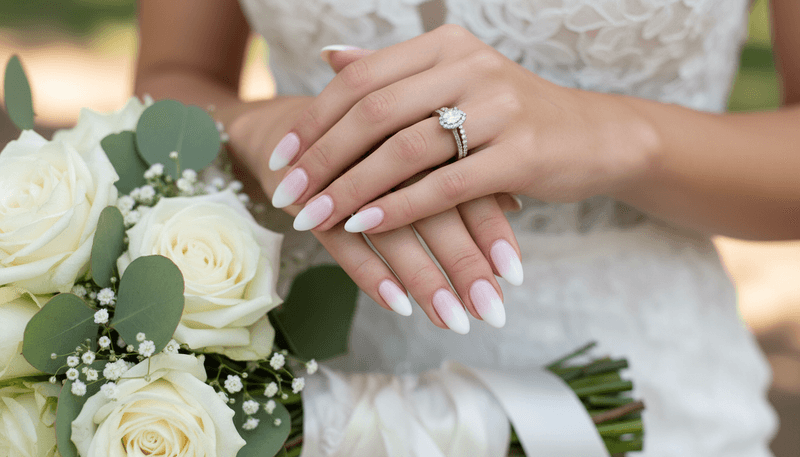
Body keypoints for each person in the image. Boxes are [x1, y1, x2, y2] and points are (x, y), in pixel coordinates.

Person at [135, 0, 791, 454]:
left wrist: (620, 135)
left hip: (648, 398)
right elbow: (170, 77)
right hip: (299, 385)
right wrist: (261, 130)